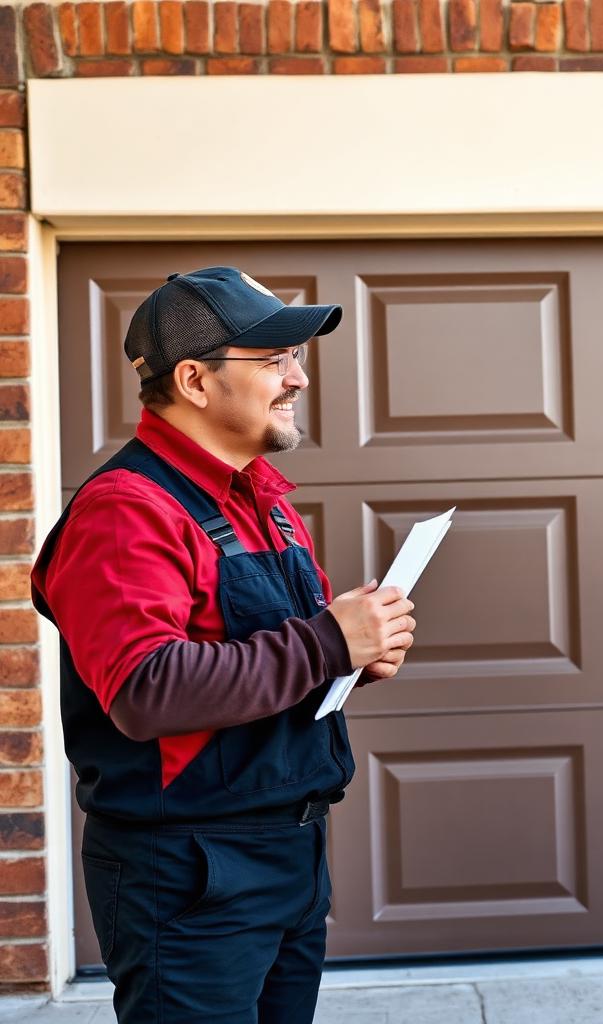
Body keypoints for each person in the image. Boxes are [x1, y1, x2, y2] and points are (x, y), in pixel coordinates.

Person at [31, 268, 417, 1023]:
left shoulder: (263, 502)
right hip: (189, 874)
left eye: (295, 358)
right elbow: (147, 689)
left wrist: (354, 658)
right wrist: (327, 642)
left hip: (288, 854)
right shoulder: (127, 511)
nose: (297, 378)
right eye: (272, 359)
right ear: (194, 380)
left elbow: (271, 658)